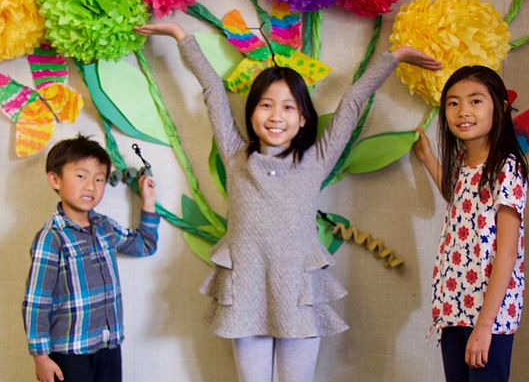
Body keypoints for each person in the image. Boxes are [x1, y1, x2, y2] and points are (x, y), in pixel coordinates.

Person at [134, 22, 441, 382]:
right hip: (246, 295)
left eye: (288, 107)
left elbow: (354, 100)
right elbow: (213, 90)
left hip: (296, 296)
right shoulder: (236, 157)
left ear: (303, 118)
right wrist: (179, 35)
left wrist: (395, 57)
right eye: (266, 105)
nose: (276, 116)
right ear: (251, 113)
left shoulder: (316, 160)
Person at [411, 66, 529, 382]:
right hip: (454, 305)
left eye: (475, 101)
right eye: (453, 103)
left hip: (488, 314)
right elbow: (458, 197)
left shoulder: (507, 167)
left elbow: (506, 254)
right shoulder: (464, 161)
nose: (463, 111)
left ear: (500, 108)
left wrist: (485, 325)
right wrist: (428, 159)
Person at [22, 134, 159, 382]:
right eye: (81, 176)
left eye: (100, 179)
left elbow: (144, 245)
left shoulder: (104, 227)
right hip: (69, 353)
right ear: (55, 179)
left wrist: (148, 202)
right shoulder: (51, 238)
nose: (91, 186)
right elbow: (37, 303)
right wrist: (40, 357)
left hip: (108, 345)